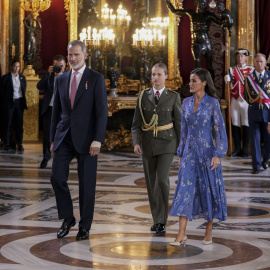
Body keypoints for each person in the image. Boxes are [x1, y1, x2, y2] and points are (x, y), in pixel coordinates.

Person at [50, 40, 108, 241]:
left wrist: (98, 139)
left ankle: (85, 226)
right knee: (56, 177)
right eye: (70, 55)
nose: (72, 59)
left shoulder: (96, 79)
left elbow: (102, 112)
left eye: (76, 55)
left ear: (85, 55)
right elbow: (56, 111)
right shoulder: (61, 79)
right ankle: (68, 218)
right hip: (64, 137)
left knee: (86, 185)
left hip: (87, 140)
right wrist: (52, 140)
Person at [169, 68, 228, 247]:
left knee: (207, 190)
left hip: (207, 153)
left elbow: (219, 130)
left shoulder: (213, 103)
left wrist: (218, 155)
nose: (190, 83)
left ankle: (208, 229)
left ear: (203, 83)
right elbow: (183, 130)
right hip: (189, 154)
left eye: (194, 80)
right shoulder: (185, 102)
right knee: (184, 191)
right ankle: (181, 234)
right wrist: (180, 153)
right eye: (190, 80)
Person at [131, 63, 181, 236]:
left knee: (162, 179)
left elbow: (179, 124)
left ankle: (162, 220)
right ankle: (157, 221)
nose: (155, 78)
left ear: (166, 76)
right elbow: (136, 124)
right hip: (148, 144)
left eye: (159, 74)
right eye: (153, 74)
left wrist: (181, 148)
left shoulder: (173, 96)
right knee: (152, 183)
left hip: (167, 143)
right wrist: (136, 142)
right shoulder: (143, 96)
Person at [165, 0, 232, 78]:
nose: (202, 4)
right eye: (200, 2)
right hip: (196, 42)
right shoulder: (191, 13)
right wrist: (168, 2)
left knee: (209, 66)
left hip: (206, 42)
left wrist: (226, 14)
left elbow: (221, 22)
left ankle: (211, 87)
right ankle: (199, 85)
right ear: (196, 3)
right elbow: (174, 11)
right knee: (197, 64)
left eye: (204, 3)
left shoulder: (208, 15)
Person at [37, 55, 66, 169]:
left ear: (65, 66)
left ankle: (60, 159)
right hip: (49, 109)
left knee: (62, 136)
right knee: (48, 136)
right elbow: (39, 87)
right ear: (52, 66)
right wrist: (48, 75)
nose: (58, 68)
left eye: (61, 66)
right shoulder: (48, 76)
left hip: (63, 111)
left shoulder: (69, 76)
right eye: (56, 66)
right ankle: (46, 157)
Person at [224, 48, 254, 157]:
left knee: (246, 123)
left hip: (246, 100)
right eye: (238, 56)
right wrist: (227, 78)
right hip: (235, 99)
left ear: (246, 57)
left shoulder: (251, 70)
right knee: (235, 123)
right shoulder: (231, 70)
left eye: (242, 56)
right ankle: (237, 148)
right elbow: (229, 81)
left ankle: (245, 149)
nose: (239, 58)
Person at [244, 53, 270, 174]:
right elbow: (246, 96)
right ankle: (256, 166)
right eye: (257, 62)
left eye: (261, 62)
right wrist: (255, 104)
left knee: (268, 139)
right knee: (255, 140)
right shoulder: (249, 78)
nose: (259, 64)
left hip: (268, 112)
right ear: (253, 63)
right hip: (254, 112)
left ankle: (266, 159)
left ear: (265, 63)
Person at [0, 60, 27, 153]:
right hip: (9, 104)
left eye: (18, 67)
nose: (17, 69)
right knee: (7, 123)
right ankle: (6, 143)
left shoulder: (22, 78)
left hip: (19, 104)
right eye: (15, 66)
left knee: (19, 124)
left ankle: (20, 144)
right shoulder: (5, 78)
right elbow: (1, 92)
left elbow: (23, 90)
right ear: (11, 67)